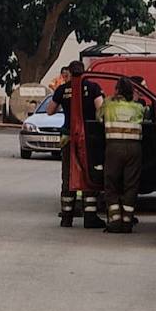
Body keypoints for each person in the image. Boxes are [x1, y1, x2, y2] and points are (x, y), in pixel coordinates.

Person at [48, 59, 104, 228]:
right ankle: (90, 217)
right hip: (88, 138)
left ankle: (66, 217)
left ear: (70, 73)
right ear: (84, 72)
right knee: (88, 174)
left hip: (68, 137)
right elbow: (100, 111)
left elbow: (50, 111)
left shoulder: (62, 89)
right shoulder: (93, 88)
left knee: (68, 175)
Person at [100, 78, 146, 234]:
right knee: (131, 185)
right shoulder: (138, 108)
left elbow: (98, 118)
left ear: (117, 90)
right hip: (135, 149)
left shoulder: (108, 104)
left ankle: (114, 221)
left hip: (114, 147)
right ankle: (127, 222)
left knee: (111, 183)